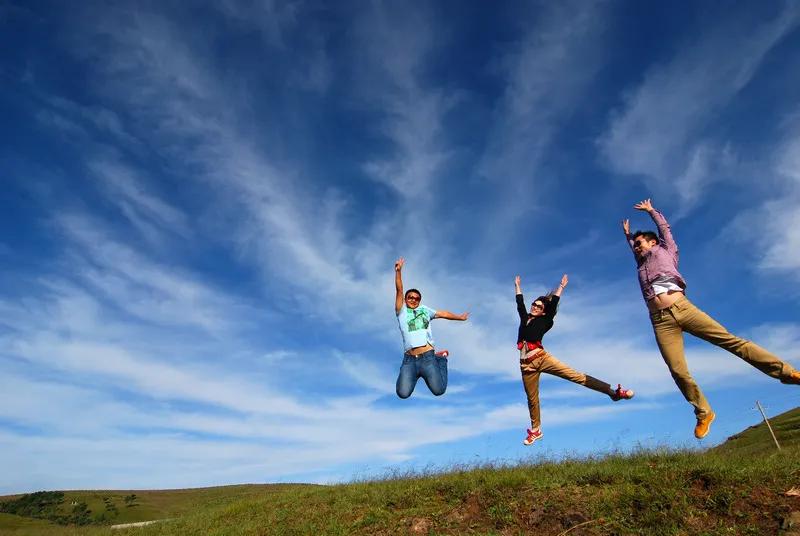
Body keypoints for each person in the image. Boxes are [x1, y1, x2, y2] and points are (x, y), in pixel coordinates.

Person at [622, 198, 800, 439]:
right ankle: (704, 412)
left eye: (639, 243)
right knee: (677, 370)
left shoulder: (666, 251)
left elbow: (665, 230)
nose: (636, 247)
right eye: (634, 245)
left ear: (652, 242)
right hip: (660, 321)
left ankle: (787, 373)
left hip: (683, 309)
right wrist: (628, 235)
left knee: (731, 342)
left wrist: (652, 211)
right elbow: (633, 248)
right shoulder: (640, 264)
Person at [515, 274, 634, 446]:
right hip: (526, 365)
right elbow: (520, 304)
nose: (534, 307)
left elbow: (553, 306)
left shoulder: (546, 320)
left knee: (576, 376)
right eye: (534, 304)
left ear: (543, 311)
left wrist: (561, 288)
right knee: (532, 399)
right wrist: (517, 286)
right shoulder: (525, 318)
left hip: (541, 358)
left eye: (539, 306)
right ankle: (536, 430)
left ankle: (613, 392)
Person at [394, 258, 469, 399]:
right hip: (409, 360)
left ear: (419, 301)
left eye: (416, 298)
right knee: (402, 393)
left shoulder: (425, 310)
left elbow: (443, 314)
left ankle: (441, 359)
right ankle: (411, 374)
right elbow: (399, 290)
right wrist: (398, 272)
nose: (413, 300)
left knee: (439, 390)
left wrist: (459, 318)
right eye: (410, 297)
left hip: (428, 357)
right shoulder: (401, 311)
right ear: (405, 299)